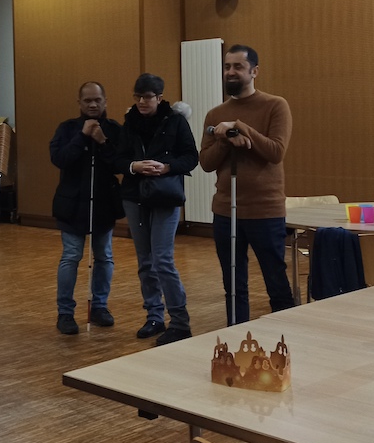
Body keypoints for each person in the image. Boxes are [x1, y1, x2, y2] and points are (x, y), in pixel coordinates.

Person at [199, 44, 294, 325]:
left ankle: (287, 337)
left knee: (276, 282)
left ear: (254, 71)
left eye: (238, 67)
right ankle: (236, 336)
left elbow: (275, 152)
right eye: (227, 67)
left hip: (265, 211)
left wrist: (239, 127)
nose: (231, 72)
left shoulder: (276, 105)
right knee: (233, 285)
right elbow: (206, 162)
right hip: (225, 212)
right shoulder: (215, 115)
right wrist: (226, 139)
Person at [116, 73, 199, 346]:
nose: (142, 101)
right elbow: (118, 159)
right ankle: (154, 316)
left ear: (160, 98)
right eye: (138, 96)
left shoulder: (175, 121)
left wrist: (166, 167)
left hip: (165, 196)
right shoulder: (129, 122)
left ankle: (180, 322)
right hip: (134, 196)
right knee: (145, 261)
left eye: (148, 97)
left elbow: (191, 157)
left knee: (162, 259)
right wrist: (134, 166)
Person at [49, 82, 124, 335]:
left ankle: (100, 307)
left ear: (105, 101)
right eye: (87, 100)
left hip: (104, 204)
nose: (92, 104)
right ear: (79, 103)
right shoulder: (67, 128)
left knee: (104, 256)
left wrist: (102, 141)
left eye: (97, 100)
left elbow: (119, 164)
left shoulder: (114, 129)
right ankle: (65, 312)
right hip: (72, 205)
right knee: (71, 256)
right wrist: (82, 136)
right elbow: (59, 159)